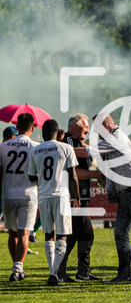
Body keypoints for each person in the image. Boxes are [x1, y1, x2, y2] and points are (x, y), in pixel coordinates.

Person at [83, 113, 131, 283]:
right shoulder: (116, 136)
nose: (96, 133)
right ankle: (125, 273)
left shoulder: (114, 139)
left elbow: (87, 152)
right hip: (127, 193)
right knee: (121, 233)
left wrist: (64, 148)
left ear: (106, 126)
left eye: (98, 129)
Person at [27, 119, 79, 286]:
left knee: (49, 235)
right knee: (62, 235)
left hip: (43, 196)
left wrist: (42, 179)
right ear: (58, 133)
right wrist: (76, 195)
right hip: (61, 196)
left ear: (42, 133)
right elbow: (73, 175)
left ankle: (52, 272)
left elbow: (30, 176)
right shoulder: (66, 148)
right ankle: (54, 273)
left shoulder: (35, 150)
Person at [58, 114, 102, 282]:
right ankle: (59, 270)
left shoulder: (74, 142)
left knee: (86, 233)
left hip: (79, 196)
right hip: (73, 196)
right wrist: (98, 174)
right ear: (74, 127)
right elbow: (74, 172)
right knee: (72, 233)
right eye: (85, 128)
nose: (88, 131)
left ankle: (83, 271)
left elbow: (85, 151)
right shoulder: (69, 141)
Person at [1, 114, 38, 282]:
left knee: (12, 232)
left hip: (8, 194)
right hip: (28, 194)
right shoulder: (35, 147)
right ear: (32, 127)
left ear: (17, 126)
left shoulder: (3, 146)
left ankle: (16, 267)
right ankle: (17, 269)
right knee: (24, 233)